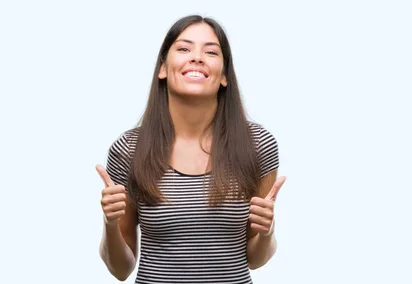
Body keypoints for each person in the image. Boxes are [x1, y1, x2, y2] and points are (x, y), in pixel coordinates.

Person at [96, 15, 286, 283]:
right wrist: (110, 223)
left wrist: (267, 232)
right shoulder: (129, 149)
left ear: (223, 76)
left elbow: (255, 259)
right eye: (184, 48)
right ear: (163, 68)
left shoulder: (257, 144)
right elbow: (121, 269)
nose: (197, 57)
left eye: (210, 52)